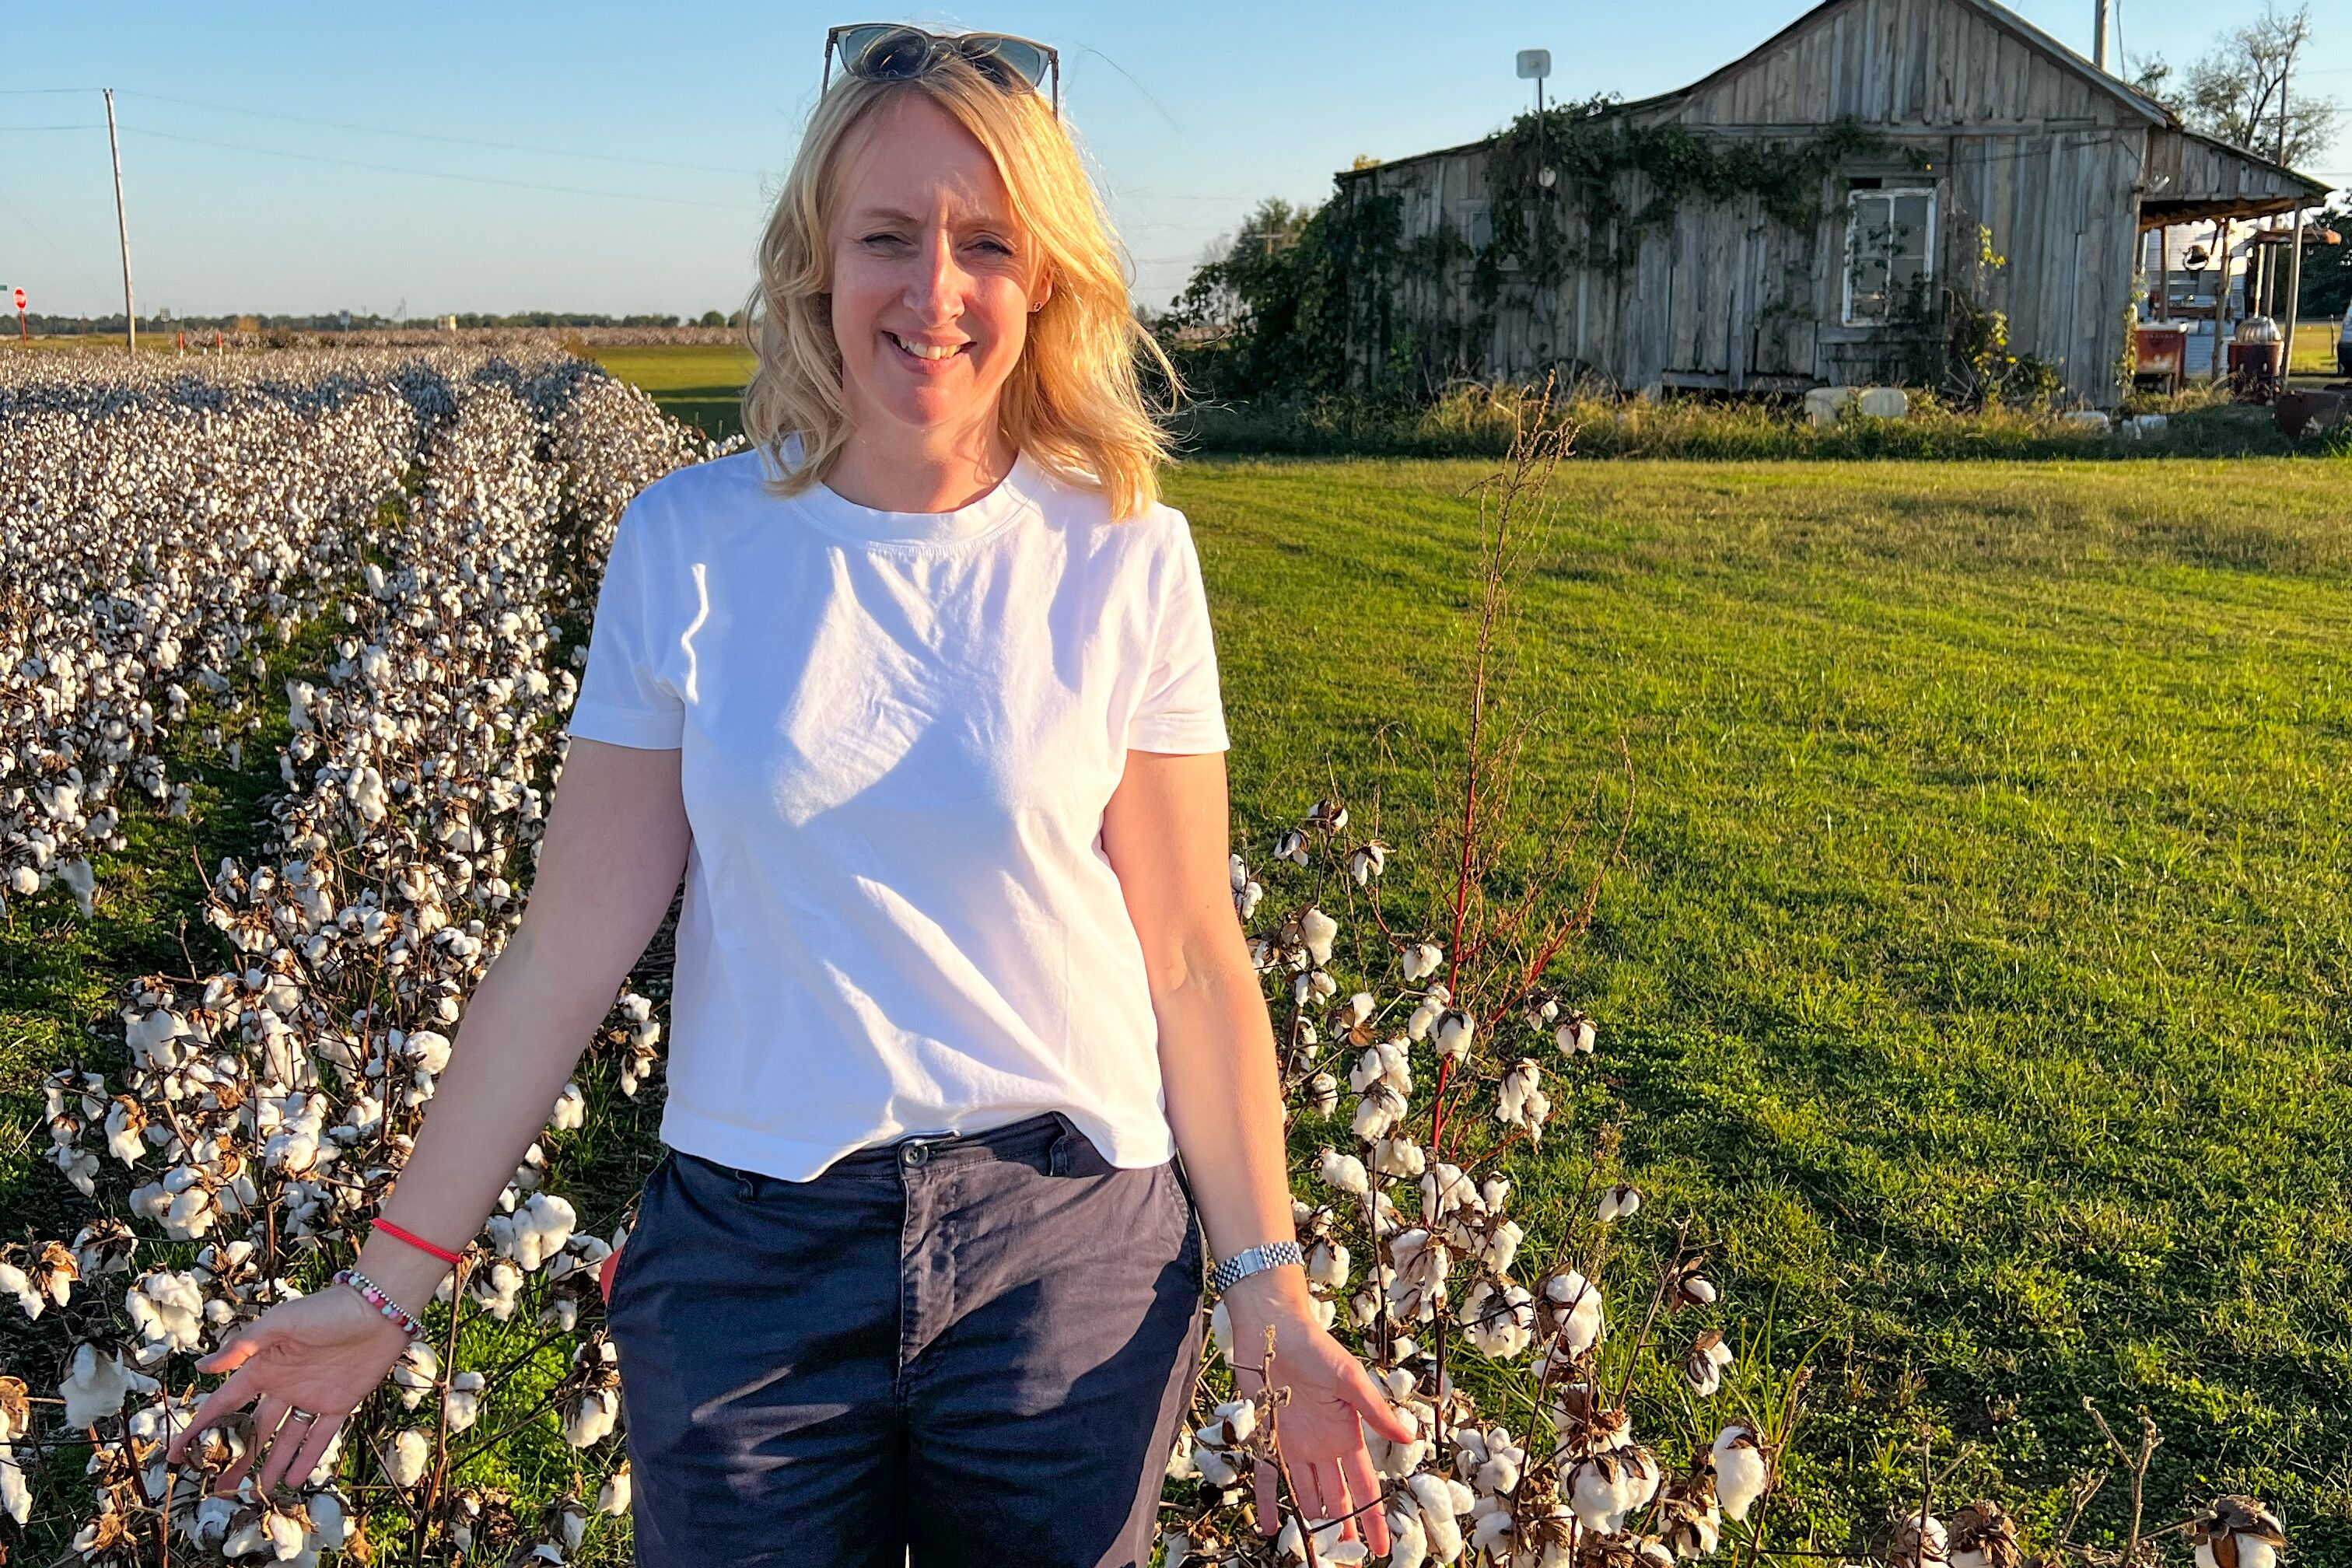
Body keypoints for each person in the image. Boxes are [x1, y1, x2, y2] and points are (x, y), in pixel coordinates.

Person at [163, 21, 1412, 1567]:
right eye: (887, 237)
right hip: (749, 1252)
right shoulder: (688, 546)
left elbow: (1186, 956)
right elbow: (567, 952)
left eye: (988, 245)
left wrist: (1268, 1288)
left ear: (1049, 276)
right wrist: (383, 1287)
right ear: (815, 263)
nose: (935, 291)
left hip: (1065, 1256)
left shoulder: (1123, 552)